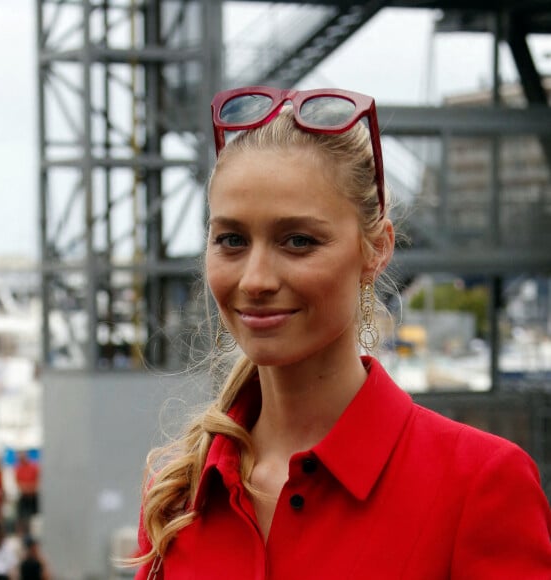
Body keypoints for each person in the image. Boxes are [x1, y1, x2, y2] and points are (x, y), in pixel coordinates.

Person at [133, 87, 551, 578]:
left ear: (376, 249)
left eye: (298, 241)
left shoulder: (478, 486)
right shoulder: (176, 496)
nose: (256, 279)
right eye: (231, 240)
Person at [13, 452, 39, 536]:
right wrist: (27, 487)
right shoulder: (18, 468)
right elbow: (18, 483)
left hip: (33, 496)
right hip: (24, 496)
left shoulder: (34, 466)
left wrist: (28, 487)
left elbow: (37, 481)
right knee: (22, 518)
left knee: (34, 518)